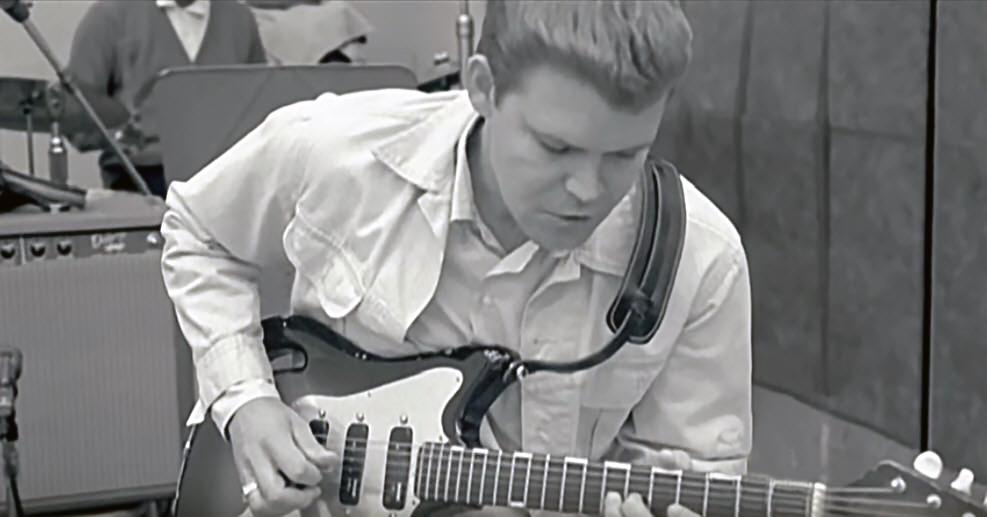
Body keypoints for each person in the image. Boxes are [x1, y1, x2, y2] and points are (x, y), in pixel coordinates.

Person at [159, 1, 751, 516]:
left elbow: (692, 475)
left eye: (626, 154)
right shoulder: (337, 150)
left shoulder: (700, 262)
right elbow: (198, 230)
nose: (588, 190)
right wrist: (247, 403)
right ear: (483, 87)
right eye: (555, 147)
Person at [65, 0, 268, 198]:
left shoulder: (239, 19)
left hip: (227, 179)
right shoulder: (108, 16)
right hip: (143, 176)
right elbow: (77, 114)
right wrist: (126, 132)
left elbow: (261, 108)